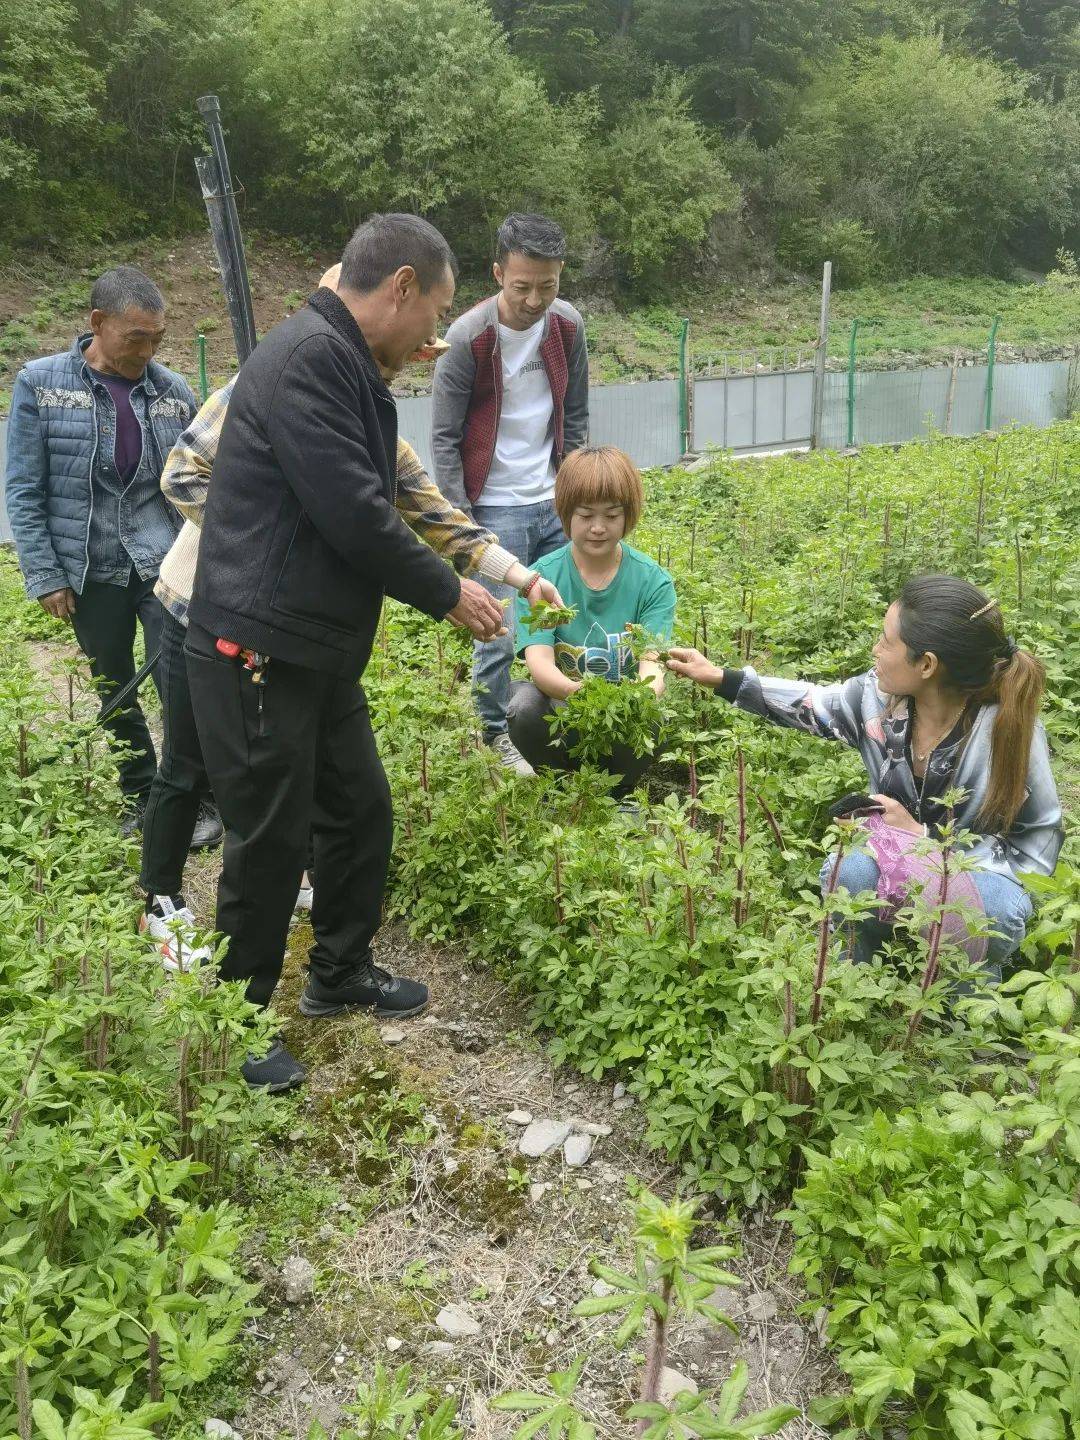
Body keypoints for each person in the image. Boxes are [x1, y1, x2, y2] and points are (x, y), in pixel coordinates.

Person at [184, 214, 562, 1093]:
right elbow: (356, 512)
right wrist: (450, 592)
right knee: (269, 837)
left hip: (312, 650)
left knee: (358, 811)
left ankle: (338, 973)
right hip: (257, 648)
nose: (434, 333)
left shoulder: (341, 357)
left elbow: (398, 491)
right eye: (431, 310)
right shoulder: (309, 359)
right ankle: (236, 1020)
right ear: (398, 286)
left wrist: (481, 564)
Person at [667, 575, 1064, 979]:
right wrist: (720, 677)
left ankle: (963, 992)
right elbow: (812, 703)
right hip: (896, 866)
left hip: (978, 881)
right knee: (849, 872)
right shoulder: (877, 699)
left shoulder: (1010, 733)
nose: (874, 650)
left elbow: (1036, 850)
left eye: (886, 642)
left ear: (926, 664)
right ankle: (856, 981)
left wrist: (923, 843)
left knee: (991, 912)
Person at [4, 266, 217, 842]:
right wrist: (46, 572)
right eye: (135, 338)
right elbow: (24, 488)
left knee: (182, 679)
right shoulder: (40, 385)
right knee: (114, 682)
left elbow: (193, 484)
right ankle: (140, 790)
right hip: (89, 566)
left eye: (157, 339)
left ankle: (193, 795)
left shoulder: (174, 392)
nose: (146, 351)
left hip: (161, 562)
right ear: (98, 324)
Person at [431, 212, 589, 776]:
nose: (534, 299)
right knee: (498, 626)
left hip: (552, 497)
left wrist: (576, 491)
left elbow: (576, 414)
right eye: (521, 286)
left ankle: (567, 712)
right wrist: (461, 526)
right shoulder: (467, 339)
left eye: (547, 286)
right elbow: (444, 440)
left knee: (563, 610)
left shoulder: (567, 326)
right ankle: (495, 732)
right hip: (492, 502)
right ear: (498, 272)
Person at [509, 446, 675, 795]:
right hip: (561, 713)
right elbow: (540, 664)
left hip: (621, 719)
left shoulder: (652, 582)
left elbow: (652, 667)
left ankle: (619, 791)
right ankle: (561, 786)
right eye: (585, 515)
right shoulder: (540, 580)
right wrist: (576, 694)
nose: (598, 528)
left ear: (628, 515)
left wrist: (636, 698)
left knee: (655, 716)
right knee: (522, 707)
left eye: (612, 516)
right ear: (565, 513)